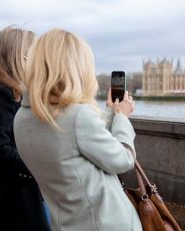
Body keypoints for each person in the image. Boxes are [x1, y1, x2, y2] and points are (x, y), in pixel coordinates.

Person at [14, 28, 143, 231]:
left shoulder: (21, 118)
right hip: (106, 224)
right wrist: (122, 117)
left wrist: (110, 112)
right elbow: (123, 159)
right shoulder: (76, 116)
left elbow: (80, 144)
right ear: (75, 67)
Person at [0, 26, 51, 231]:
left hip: (23, 193)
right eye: (33, 53)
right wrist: (33, 166)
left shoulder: (14, 91)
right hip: (15, 195)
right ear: (19, 57)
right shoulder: (0, 93)